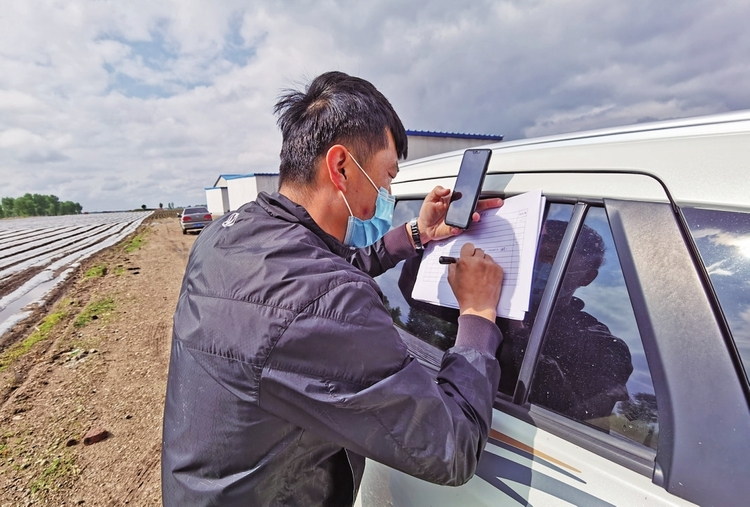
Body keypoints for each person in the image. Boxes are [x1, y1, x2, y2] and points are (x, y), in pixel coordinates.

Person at [161, 71, 506, 506]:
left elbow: (320, 277)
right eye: (386, 175)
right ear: (342, 167)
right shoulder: (324, 300)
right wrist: (477, 315)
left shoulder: (233, 232)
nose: (388, 190)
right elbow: (451, 449)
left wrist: (415, 233)